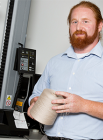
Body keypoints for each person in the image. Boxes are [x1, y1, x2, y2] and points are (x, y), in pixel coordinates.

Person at [28, 1, 103, 140]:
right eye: (74, 22)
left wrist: (84, 105)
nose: (79, 27)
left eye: (85, 21)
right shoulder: (55, 62)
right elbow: (37, 94)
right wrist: (34, 103)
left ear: (100, 25)